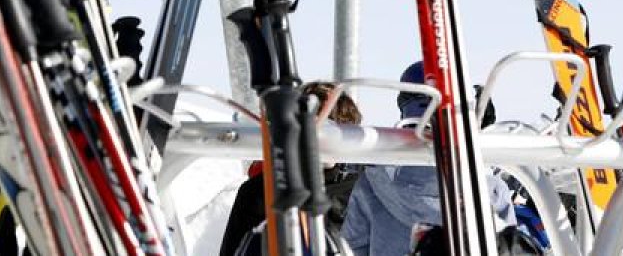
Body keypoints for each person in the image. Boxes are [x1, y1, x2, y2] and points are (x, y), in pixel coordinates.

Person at [343, 63, 518, 256]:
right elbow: (505, 248)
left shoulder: (372, 182)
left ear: (404, 109)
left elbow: (353, 248)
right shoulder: (489, 189)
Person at [220, 82, 363, 256]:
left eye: (340, 134)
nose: (326, 144)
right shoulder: (261, 191)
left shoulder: (361, 190)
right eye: (321, 131)